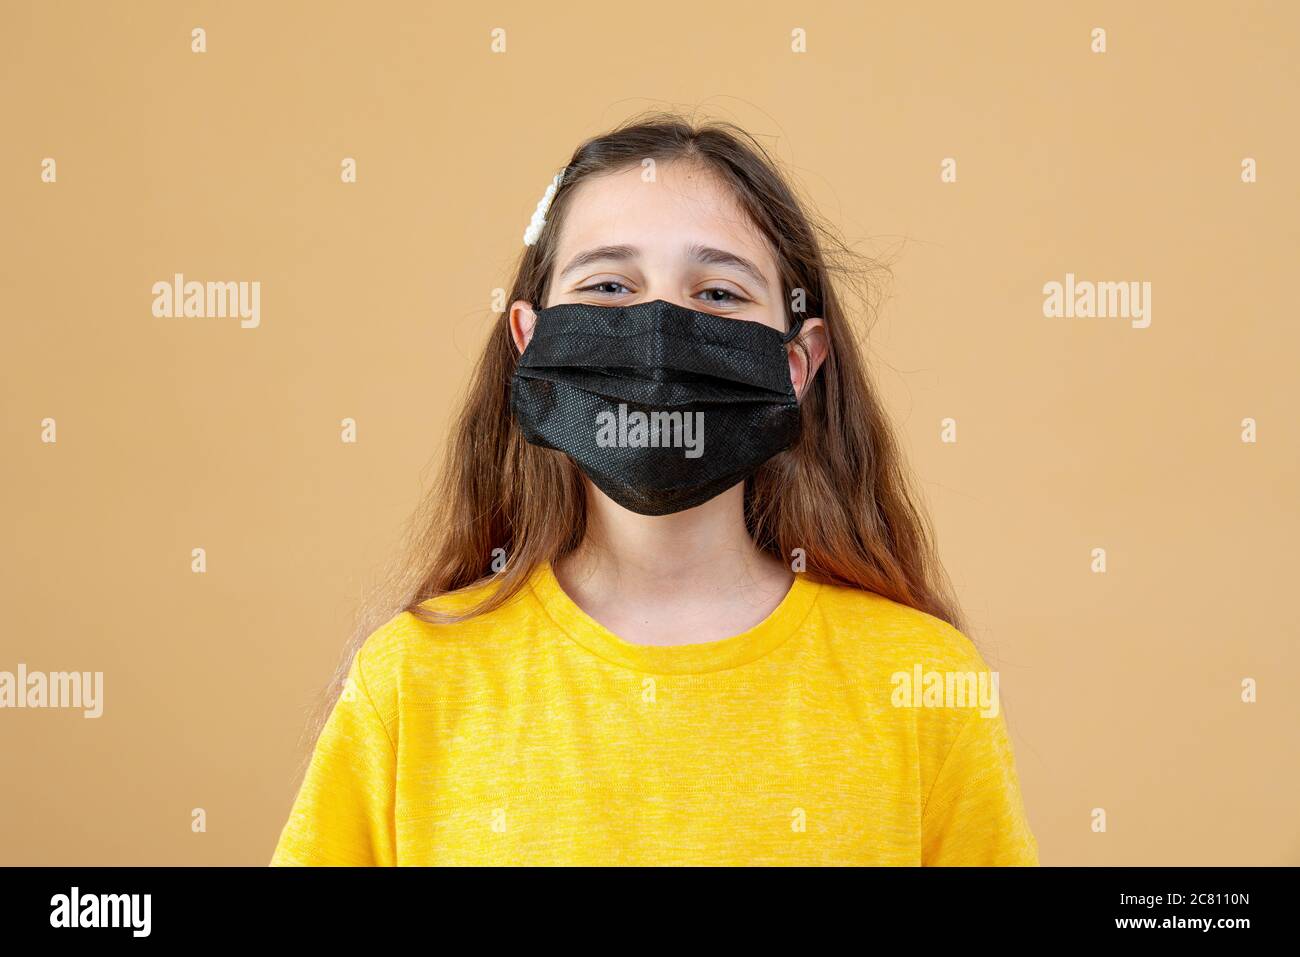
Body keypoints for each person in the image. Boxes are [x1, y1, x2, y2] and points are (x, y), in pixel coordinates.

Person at [270, 114, 1038, 866]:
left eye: (719, 294)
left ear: (797, 365)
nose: (658, 331)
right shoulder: (412, 679)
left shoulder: (923, 684)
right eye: (608, 285)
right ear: (530, 344)